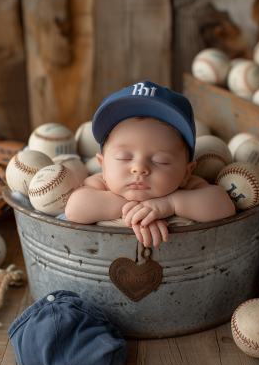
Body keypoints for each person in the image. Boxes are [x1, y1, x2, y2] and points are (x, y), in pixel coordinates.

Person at [65, 81, 235, 247]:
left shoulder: (188, 187)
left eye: (160, 160)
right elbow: (74, 208)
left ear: (186, 173)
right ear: (103, 166)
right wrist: (140, 210)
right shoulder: (101, 183)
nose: (139, 168)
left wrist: (170, 204)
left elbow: (224, 207)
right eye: (124, 157)